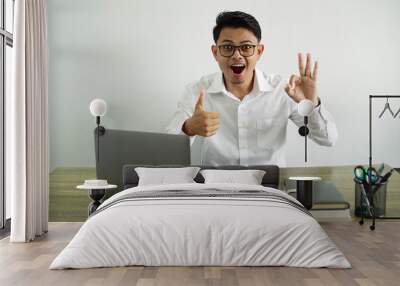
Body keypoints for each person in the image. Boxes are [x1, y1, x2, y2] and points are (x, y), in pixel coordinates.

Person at [166, 11, 337, 166]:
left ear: (259, 51)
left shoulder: (283, 90)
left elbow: (328, 139)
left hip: (270, 188)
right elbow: (166, 148)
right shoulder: (197, 91)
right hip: (216, 188)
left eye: (246, 47)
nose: (237, 55)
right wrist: (188, 128)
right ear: (215, 52)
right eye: (227, 47)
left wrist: (311, 103)